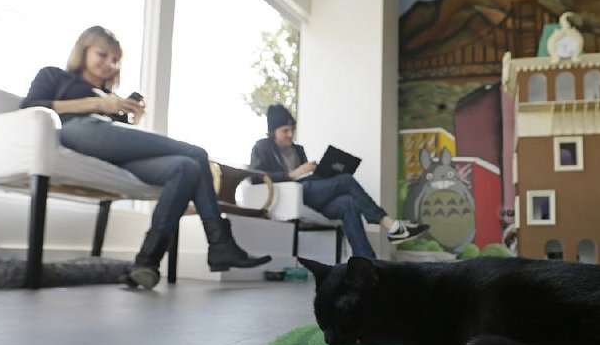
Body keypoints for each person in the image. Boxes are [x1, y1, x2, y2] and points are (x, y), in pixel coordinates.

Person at [21, 26, 271, 289]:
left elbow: (123, 141)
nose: (109, 63)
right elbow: (30, 106)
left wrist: (131, 118)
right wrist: (97, 104)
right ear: (83, 51)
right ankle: (220, 245)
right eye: (102, 55)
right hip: (76, 130)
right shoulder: (55, 76)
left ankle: (146, 262)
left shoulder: (112, 99)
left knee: (186, 167)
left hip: (112, 152)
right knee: (197, 154)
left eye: (115, 59)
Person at [250, 104, 428, 259]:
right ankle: (391, 225)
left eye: (292, 129)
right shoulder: (262, 147)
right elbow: (256, 177)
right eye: (285, 131)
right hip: (292, 196)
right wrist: (291, 174)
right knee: (346, 181)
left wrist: (320, 173)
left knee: (347, 203)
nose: (290, 134)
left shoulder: (298, 149)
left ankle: (367, 261)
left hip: (311, 193)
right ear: (273, 131)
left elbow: (306, 177)